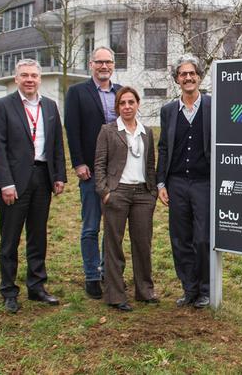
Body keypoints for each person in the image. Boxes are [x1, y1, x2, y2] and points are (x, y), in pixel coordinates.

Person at [0, 59, 66, 313]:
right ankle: (9, 290)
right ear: (16, 78)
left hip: (42, 178)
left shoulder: (50, 106)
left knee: (38, 235)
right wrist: (6, 183)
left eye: (34, 75)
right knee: (10, 238)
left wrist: (59, 176)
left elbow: (56, 145)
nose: (29, 79)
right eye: (24, 75)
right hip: (14, 182)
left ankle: (37, 286)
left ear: (40, 78)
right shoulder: (2, 106)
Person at [94, 86, 159, 311]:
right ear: (117, 107)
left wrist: (152, 193)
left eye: (131, 102)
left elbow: (150, 164)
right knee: (114, 245)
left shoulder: (146, 132)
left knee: (143, 244)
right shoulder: (108, 131)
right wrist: (105, 192)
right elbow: (99, 164)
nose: (127, 106)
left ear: (138, 104)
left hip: (143, 194)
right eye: (123, 103)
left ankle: (145, 290)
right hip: (117, 193)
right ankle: (115, 294)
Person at [65, 47, 122, 299]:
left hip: (117, 173)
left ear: (113, 65)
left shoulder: (121, 93)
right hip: (90, 170)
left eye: (108, 62)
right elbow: (72, 128)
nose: (104, 66)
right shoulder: (77, 92)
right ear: (91, 64)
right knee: (91, 226)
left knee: (112, 226)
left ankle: (106, 271)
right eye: (99, 62)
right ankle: (91, 274)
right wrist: (78, 162)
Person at [157, 54, 212, 309]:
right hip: (176, 183)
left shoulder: (213, 106)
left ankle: (204, 289)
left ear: (199, 77)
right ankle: (188, 288)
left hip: (203, 182)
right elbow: (164, 148)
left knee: (202, 239)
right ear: (177, 79)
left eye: (192, 73)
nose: (188, 78)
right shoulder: (168, 111)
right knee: (180, 239)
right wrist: (161, 184)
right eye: (183, 74)